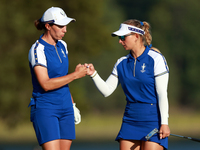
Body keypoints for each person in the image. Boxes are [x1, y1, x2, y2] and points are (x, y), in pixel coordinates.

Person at [86, 19, 170, 150]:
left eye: (123, 37)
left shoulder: (156, 59)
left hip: (153, 120)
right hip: (130, 119)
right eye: (119, 38)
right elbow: (107, 91)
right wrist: (93, 74)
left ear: (136, 36)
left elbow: (162, 93)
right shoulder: (121, 62)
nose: (120, 41)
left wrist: (164, 123)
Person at [28, 7, 87, 150]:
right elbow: (46, 84)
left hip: (65, 106)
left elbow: (62, 79)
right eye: (60, 26)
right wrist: (75, 75)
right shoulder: (37, 49)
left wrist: (72, 105)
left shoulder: (63, 45)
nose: (65, 29)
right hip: (46, 108)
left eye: (65, 25)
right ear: (48, 26)